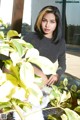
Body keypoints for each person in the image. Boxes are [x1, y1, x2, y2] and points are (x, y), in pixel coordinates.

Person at [23, 5, 66, 86]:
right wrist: (40, 74)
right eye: (44, 20)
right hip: (26, 75)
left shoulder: (60, 43)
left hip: (42, 82)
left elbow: (62, 64)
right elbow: (20, 59)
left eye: (52, 22)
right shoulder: (30, 37)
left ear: (57, 23)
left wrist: (57, 75)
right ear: (40, 21)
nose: (47, 25)